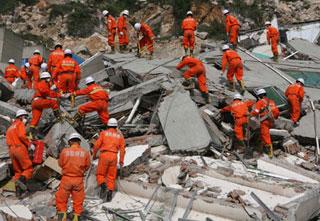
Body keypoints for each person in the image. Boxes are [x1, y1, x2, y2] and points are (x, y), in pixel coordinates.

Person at [56, 133, 90, 221]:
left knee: (61, 201)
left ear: (70, 141)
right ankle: (76, 218)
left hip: (66, 179)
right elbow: (87, 166)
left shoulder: (64, 151)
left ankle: (62, 219)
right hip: (78, 180)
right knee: (78, 202)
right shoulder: (85, 152)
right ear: (79, 142)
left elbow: (60, 164)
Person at [93, 118, 125, 202]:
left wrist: (94, 154)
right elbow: (122, 150)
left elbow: (96, 145)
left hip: (104, 155)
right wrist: (121, 161)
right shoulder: (120, 136)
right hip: (114, 156)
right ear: (116, 126)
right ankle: (109, 194)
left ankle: (103, 185)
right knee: (111, 176)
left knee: (100, 174)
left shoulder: (104, 133)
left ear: (108, 125)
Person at [6, 109, 34, 197]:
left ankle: (18, 193)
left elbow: (7, 141)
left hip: (11, 150)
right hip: (19, 148)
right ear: (21, 117)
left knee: (18, 171)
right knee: (28, 168)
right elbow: (21, 135)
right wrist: (29, 144)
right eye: (25, 117)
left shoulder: (10, 127)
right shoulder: (19, 124)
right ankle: (21, 182)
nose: (26, 120)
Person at [29, 72, 63, 138]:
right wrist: (57, 95)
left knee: (35, 119)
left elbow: (46, 92)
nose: (49, 80)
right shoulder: (43, 83)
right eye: (48, 78)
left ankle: (30, 135)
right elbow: (45, 91)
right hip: (39, 101)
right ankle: (58, 117)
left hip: (35, 102)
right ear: (45, 78)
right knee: (54, 102)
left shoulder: (42, 83)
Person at [251, 88, 280, 158]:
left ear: (259, 96)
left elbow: (256, 112)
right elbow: (277, 112)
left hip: (265, 121)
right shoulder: (271, 101)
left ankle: (270, 151)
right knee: (262, 135)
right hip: (271, 121)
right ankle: (260, 148)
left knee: (265, 136)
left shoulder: (260, 102)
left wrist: (250, 114)